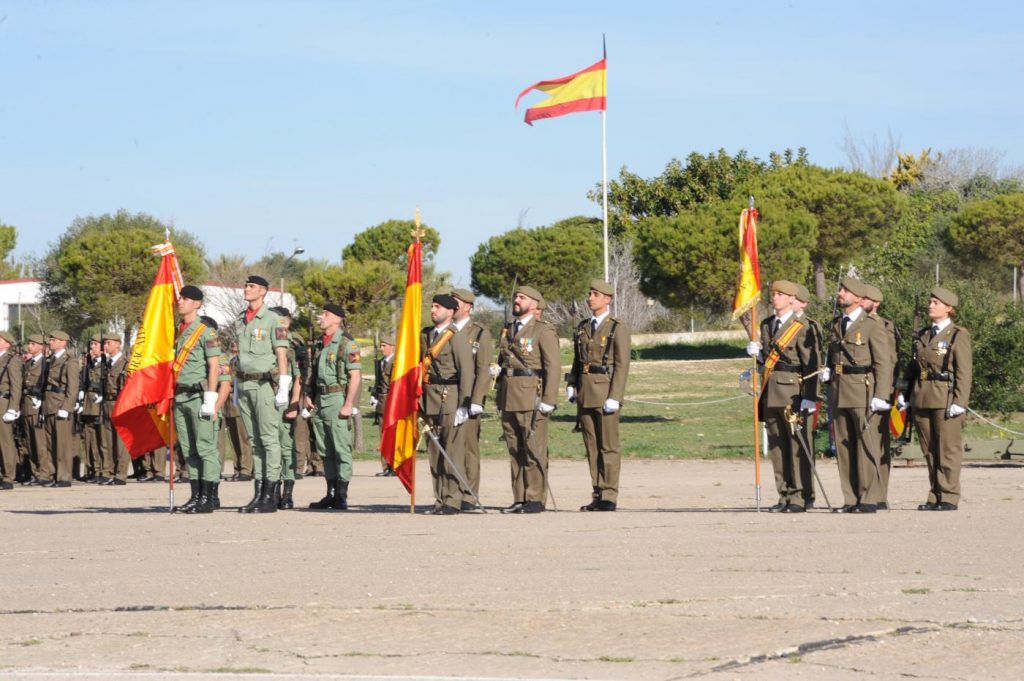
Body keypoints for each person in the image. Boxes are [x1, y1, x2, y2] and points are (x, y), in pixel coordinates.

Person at [747, 280, 819, 513]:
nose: (775, 297)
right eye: (774, 294)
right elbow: (768, 361)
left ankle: (800, 495)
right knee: (778, 446)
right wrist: (756, 353)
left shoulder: (803, 326)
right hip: (771, 391)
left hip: (793, 392)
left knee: (797, 445)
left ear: (792, 298)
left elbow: (811, 364)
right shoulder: (768, 325)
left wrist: (810, 396)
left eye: (780, 294)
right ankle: (785, 493)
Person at [824, 277, 893, 513]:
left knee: (866, 444)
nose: (840, 293)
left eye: (845, 290)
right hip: (840, 389)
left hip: (864, 390)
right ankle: (850, 498)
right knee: (844, 446)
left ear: (857, 296)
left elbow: (884, 363)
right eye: (840, 289)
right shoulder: (835, 324)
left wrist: (882, 395)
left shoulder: (872, 325)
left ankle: (869, 498)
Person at [904, 287, 972, 511]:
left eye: (936, 302)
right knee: (929, 449)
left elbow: (964, 371)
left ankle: (949, 496)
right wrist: (906, 396)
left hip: (945, 396)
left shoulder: (957, 335)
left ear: (949, 308)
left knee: (947, 449)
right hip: (922, 396)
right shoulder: (924, 334)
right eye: (930, 301)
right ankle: (935, 494)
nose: (930, 305)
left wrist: (960, 402)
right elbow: (914, 369)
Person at [567, 279, 631, 512]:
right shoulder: (583, 327)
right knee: (592, 446)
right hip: (585, 391)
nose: (590, 297)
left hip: (605, 391)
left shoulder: (617, 328)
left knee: (608, 446)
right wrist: (572, 383)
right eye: (589, 293)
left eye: (595, 294)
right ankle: (597, 492)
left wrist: (616, 395)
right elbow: (578, 359)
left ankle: (609, 495)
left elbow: (622, 365)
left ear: (607, 299)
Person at [495, 285, 560, 514]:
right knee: (515, 449)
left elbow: (553, 367)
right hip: (509, 395)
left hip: (532, 395)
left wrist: (549, 399)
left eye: (522, 297)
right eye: (516, 296)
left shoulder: (543, 330)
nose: (516, 300)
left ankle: (535, 498)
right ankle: (520, 496)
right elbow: (504, 363)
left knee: (534, 449)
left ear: (534, 304)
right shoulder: (508, 329)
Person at [232, 274, 291, 514]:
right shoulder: (240, 320)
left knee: (268, 439)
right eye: (246, 285)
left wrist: (284, 383)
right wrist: (236, 385)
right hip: (245, 384)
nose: (246, 289)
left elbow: (281, 353)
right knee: (254, 441)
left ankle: (270, 494)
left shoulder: (273, 319)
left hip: (264, 385)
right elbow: (238, 355)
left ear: (263, 291)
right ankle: (258, 492)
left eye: (252, 286)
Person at [171, 287, 226, 513]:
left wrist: (211, 399)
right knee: (189, 449)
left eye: (185, 299)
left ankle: (208, 497)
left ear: (197, 304)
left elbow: (214, 366)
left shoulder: (205, 332)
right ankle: (196, 495)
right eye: (180, 298)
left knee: (205, 449)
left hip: (198, 396)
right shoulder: (177, 331)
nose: (180, 302)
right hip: (180, 395)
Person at [420, 294, 474, 514]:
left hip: (449, 397)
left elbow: (467, 372)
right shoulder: (427, 335)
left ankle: (453, 499)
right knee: (434, 451)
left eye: (438, 307)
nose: (433, 310)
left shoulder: (455, 336)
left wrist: (465, 404)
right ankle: (440, 498)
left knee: (451, 451)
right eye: (432, 306)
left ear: (450, 312)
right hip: (429, 397)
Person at [306, 303, 362, 510]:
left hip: (337, 397)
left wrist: (348, 404)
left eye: (326, 314)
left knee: (341, 448)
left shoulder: (346, 343)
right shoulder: (321, 344)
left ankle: (341, 495)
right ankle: (330, 493)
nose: (321, 317)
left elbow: (355, 376)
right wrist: (309, 395)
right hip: (321, 400)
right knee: (325, 448)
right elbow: (313, 373)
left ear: (337, 319)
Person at [450, 289, 492, 506]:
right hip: (445, 396)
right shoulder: (444, 331)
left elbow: (483, 369)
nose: (452, 306)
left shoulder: (478, 333)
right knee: (449, 446)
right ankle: (451, 492)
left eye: (456, 302)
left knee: (468, 448)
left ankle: (469, 494)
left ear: (467, 306)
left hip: (467, 397)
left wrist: (475, 400)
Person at [861, 283, 900, 510]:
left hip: (878, 389)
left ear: (875, 303)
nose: (860, 301)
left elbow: (889, 359)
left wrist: (883, 392)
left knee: (877, 442)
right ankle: (866, 492)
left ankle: (878, 493)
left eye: (864, 298)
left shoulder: (883, 326)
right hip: (858, 389)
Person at [269, 306, 302, 509]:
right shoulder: (267, 339)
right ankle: (271, 490)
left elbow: (299, 375)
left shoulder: (294, 342)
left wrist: (294, 402)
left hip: (284, 397)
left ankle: (287, 493)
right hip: (266, 395)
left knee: (285, 445)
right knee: (267, 444)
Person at [42, 330, 80, 488]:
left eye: (54, 340)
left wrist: (67, 406)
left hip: (60, 404)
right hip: (49, 404)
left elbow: (73, 387)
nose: (50, 342)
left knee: (63, 444)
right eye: (50, 340)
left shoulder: (69, 361)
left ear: (63, 342)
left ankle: (64, 476)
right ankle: (53, 474)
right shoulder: (51, 359)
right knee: (50, 443)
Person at [218, 341, 253, 481]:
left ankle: (245, 469)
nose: (233, 348)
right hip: (227, 404)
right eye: (232, 346)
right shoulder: (231, 361)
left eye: (235, 345)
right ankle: (238, 468)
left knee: (242, 438)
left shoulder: (245, 361)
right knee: (232, 439)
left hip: (238, 403)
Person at [100, 332, 129, 485]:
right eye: (105, 343)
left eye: (109, 343)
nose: (105, 346)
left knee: (120, 442)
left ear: (118, 344)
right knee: (106, 440)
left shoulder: (126, 363)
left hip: (120, 403)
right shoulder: (106, 363)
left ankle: (120, 474)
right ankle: (107, 471)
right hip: (106, 403)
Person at [20, 334, 49, 485]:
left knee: (40, 443)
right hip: (26, 405)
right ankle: (33, 473)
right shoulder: (28, 363)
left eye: (33, 344)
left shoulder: (45, 363)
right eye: (29, 343)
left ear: (41, 347)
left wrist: (42, 400)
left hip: (37, 405)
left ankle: (44, 473)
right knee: (29, 443)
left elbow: (45, 385)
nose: (29, 346)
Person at [0, 331, 23, 490]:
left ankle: (8, 476)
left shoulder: (12, 360)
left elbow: (16, 386)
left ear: (7, 343)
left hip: (3, 402)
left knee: (5, 441)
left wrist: (13, 408)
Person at [369, 334, 395, 476]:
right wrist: (373, 395)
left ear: (392, 347)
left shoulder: (396, 363)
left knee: (394, 436)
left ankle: (395, 466)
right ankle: (386, 466)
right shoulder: (380, 362)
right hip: (382, 402)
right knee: (383, 436)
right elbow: (378, 383)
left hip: (392, 402)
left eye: (384, 346)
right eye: (381, 345)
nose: (381, 348)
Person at [80, 335, 104, 482]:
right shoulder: (89, 364)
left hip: (98, 404)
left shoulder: (105, 364)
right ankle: (90, 468)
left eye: (95, 344)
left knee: (99, 439)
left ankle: (100, 469)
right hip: (88, 403)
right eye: (91, 345)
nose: (92, 348)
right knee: (88, 438)